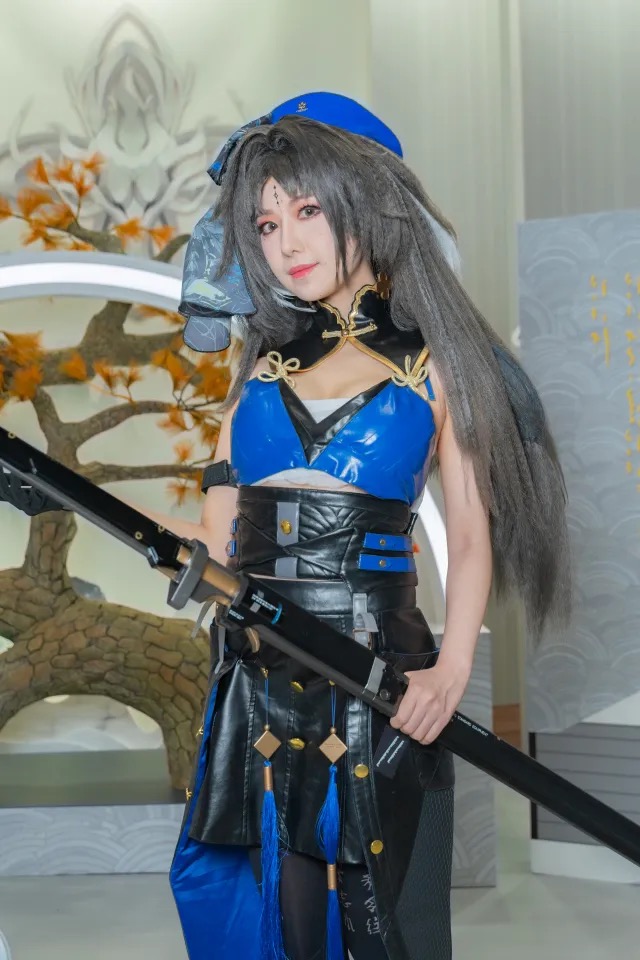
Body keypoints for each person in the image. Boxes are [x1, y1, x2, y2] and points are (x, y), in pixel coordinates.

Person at [0, 93, 570, 960]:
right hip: (259, 672)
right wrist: (71, 495)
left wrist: (451, 670)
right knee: (278, 906)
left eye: (307, 212)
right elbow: (213, 545)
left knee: (378, 915)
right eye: (266, 224)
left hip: (378, 670)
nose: (286, 244)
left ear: (368, 204)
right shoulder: (257, 371)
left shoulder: (436, 363)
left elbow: (468, 529)